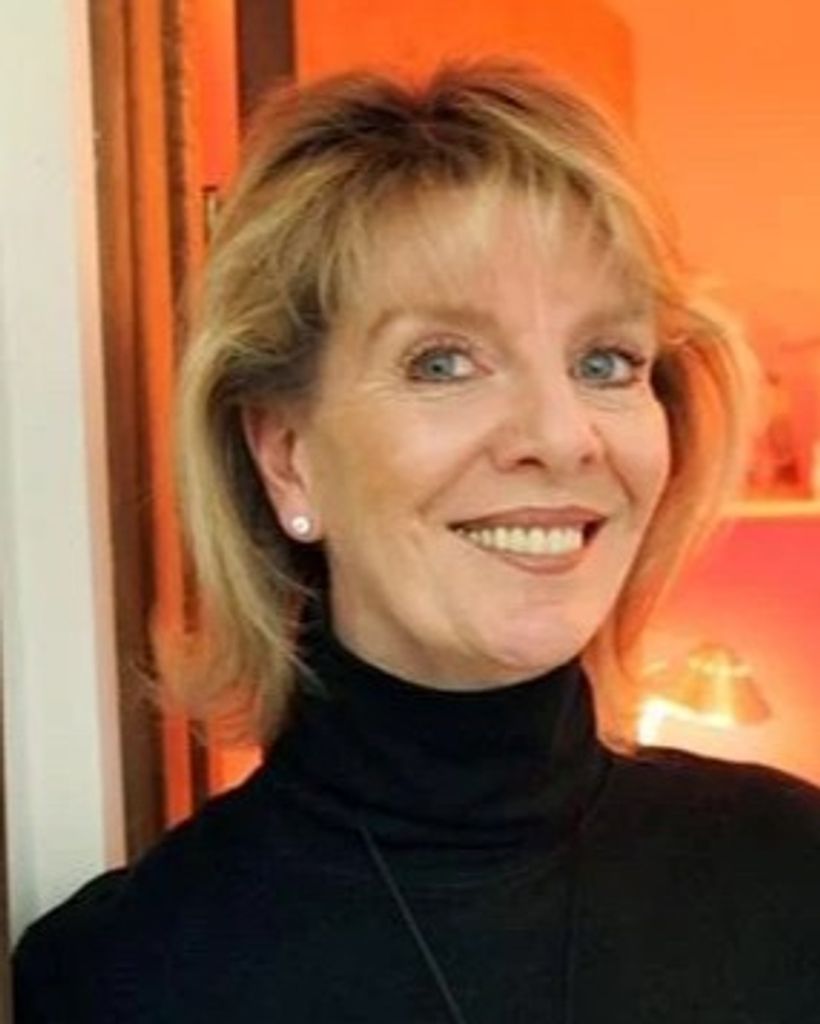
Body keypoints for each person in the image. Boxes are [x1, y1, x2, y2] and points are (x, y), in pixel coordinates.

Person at [13, 60, 820, 1023]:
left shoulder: (795, 876)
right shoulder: (113, 975)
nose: (562, 435)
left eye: (606, 361)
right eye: (443, 362)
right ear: (288, 457)